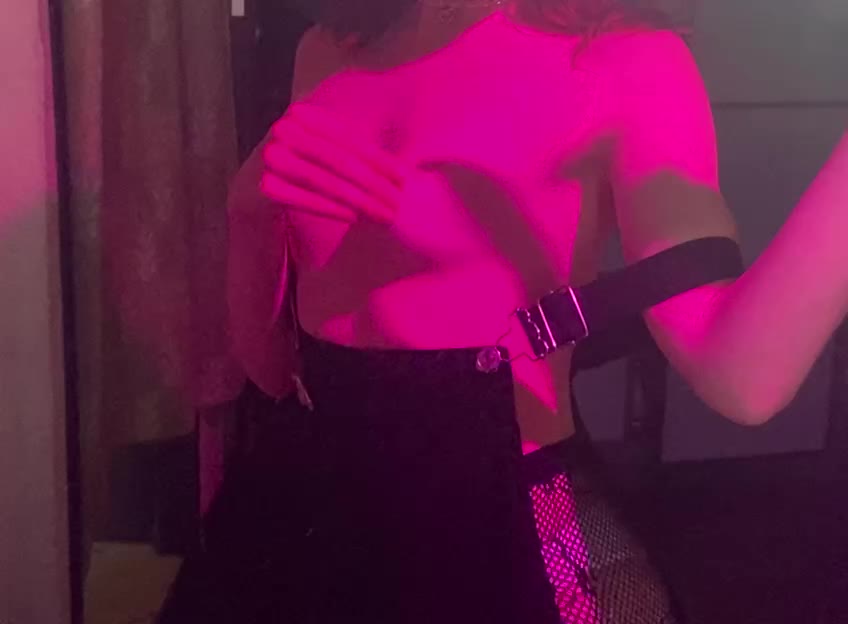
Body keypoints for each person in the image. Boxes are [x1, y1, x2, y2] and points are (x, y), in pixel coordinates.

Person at [159, 0, 848, 622]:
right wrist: (248, 213)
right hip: (303, 519)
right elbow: (273, 371)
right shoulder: (330, 45)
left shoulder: (624, 59)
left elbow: (743, 377)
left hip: (511, 530)